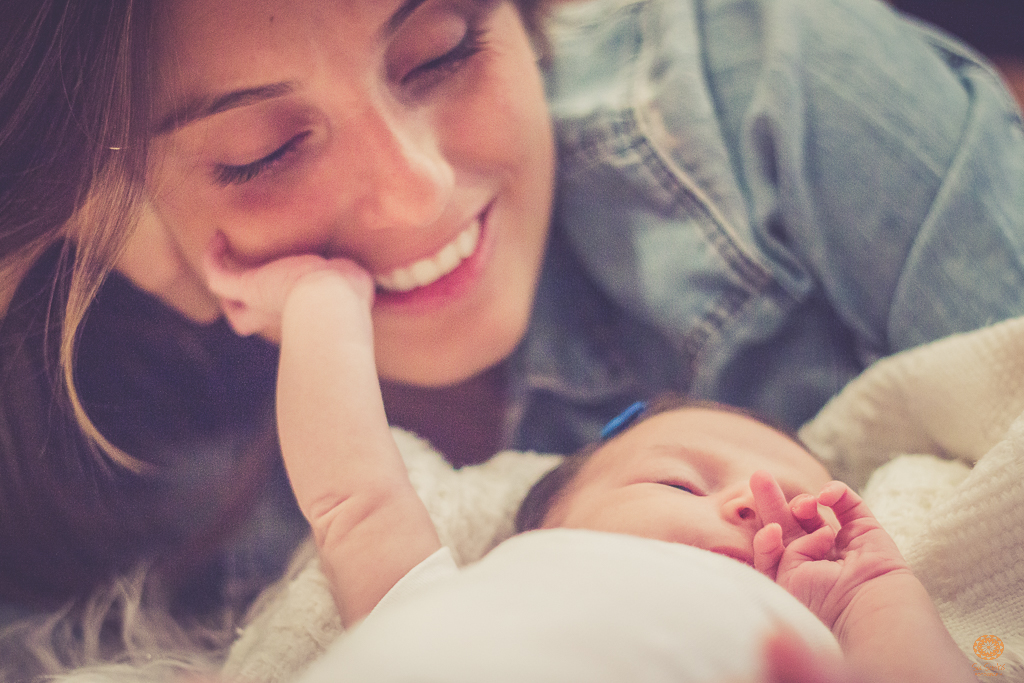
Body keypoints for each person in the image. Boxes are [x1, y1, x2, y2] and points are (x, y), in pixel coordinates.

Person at [3, 0, 1024, 652]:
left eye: (440, 52)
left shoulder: (764, 100)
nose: (418, 193)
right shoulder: (83, 415)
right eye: (262, 151)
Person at [201, 248, 974, 683]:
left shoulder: (823, 641)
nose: (754, 505)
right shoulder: (458, 597)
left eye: (806, 522)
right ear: (524, 546)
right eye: (679, 482)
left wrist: (871, 592)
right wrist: (320, 301)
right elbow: (352, 490)